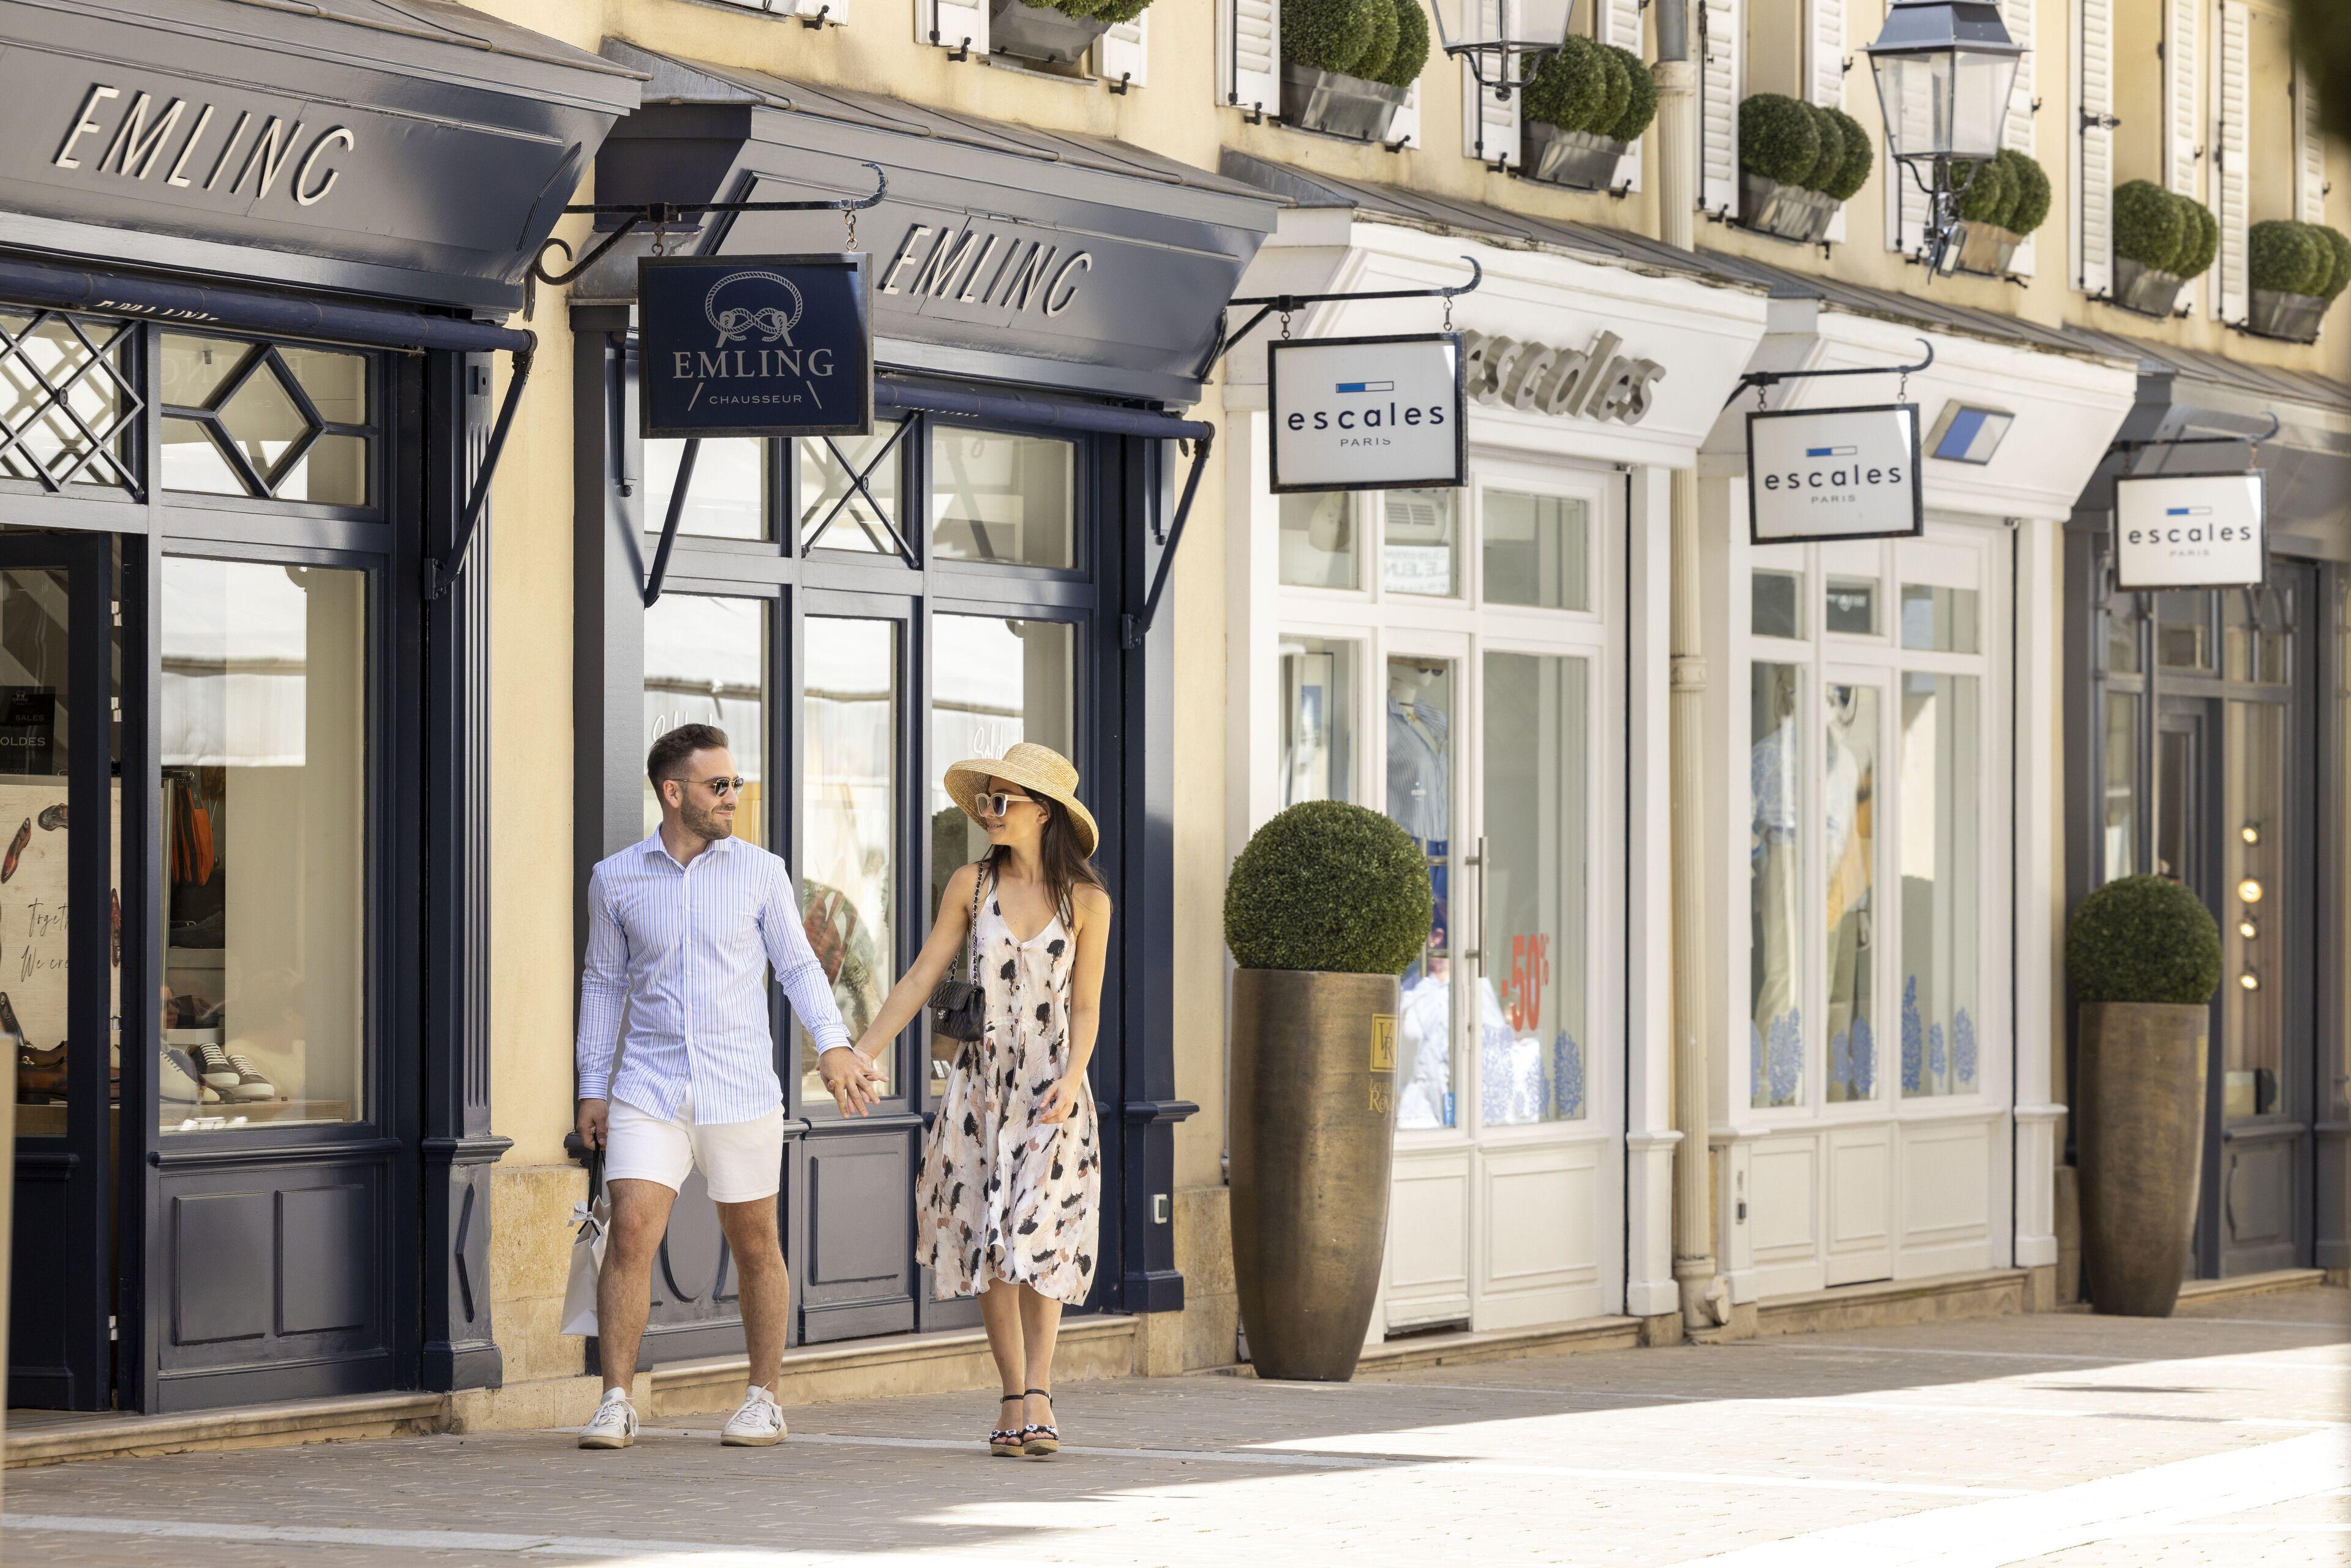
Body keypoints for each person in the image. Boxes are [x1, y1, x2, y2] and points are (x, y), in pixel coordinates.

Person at [573, 723, 869, 1452]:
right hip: (649, 1083)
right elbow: (604, 983)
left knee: (755, 1241)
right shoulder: (616, 877)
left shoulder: (761, 871)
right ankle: (616, 1398)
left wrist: (833, 1044)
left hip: (739, 1087)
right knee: (632, 1230)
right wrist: (592, 1086)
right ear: (673, 793)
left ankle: (764, 1395)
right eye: (719, 785)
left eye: (736, 782)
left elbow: (799, 966)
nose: (734, 795)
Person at [817, 742, 1108, 1460]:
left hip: (1052, 1091)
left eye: (1002, 801)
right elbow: (921, 975)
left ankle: (1039, 1389)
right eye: (985, 800)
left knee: (1040, 1236)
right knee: (988, 1236)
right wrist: (864, 1050)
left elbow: (1089, 1005)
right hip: (980, 1089)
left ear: (1044, 813)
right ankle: (1013, 1390)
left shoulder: (1088, 901)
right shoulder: (970, 886)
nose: (988, 812)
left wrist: (1073, 1078)